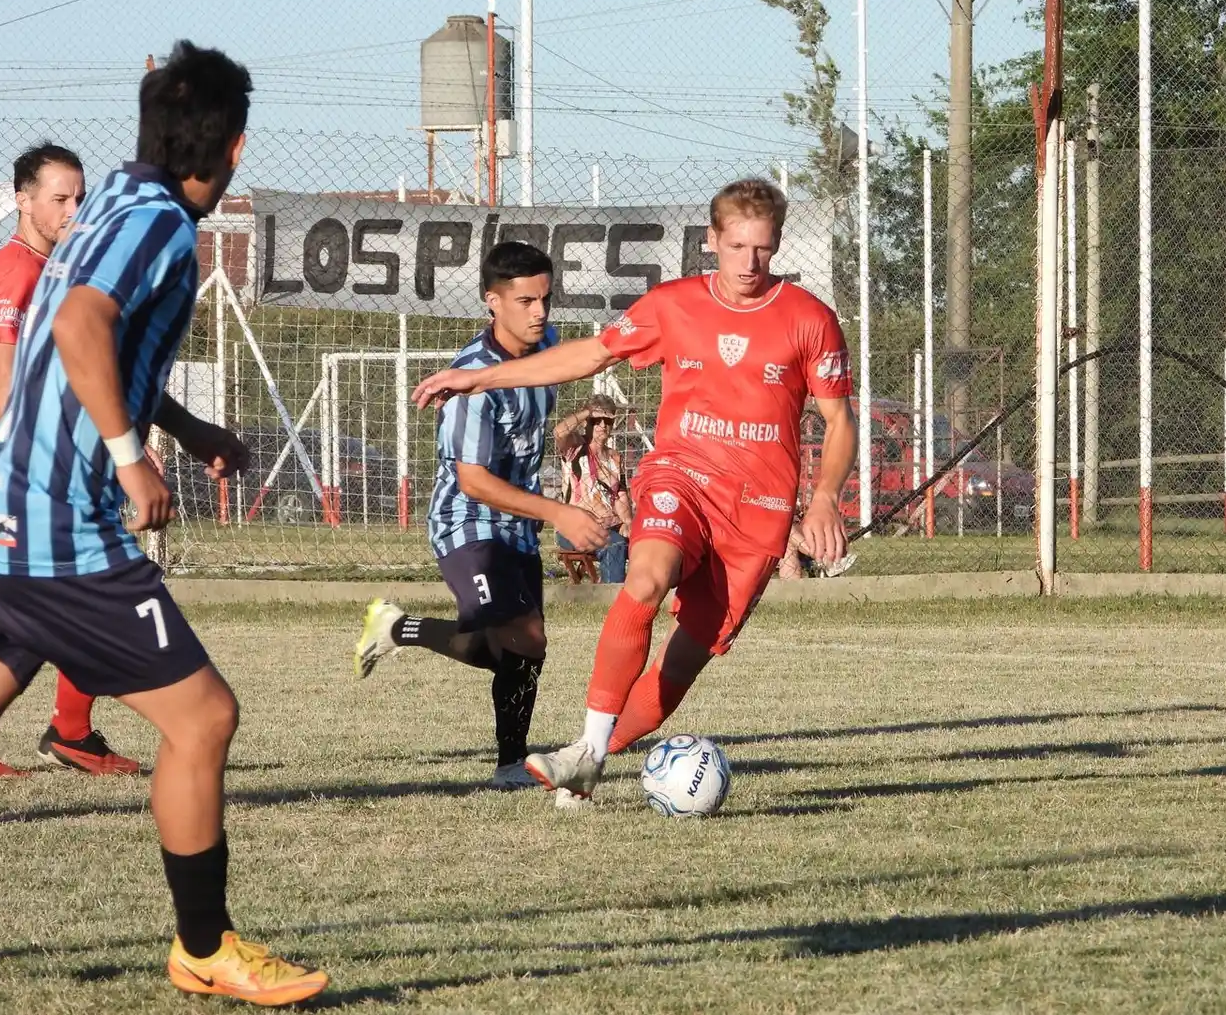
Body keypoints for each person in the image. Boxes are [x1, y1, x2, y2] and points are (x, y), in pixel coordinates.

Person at [0, 41, 326, 1004]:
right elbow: (81, 325)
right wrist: (133, 456)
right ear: (236, 148)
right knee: (205, 716)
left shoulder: (116, 196)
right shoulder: (162, 222)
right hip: (59, 530)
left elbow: (96, 345)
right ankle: (205, 946)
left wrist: (185, 423)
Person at [413, 177, 856, 809]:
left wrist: (823, 498)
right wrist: (480, 379)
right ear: (712, 241)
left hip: (755, 516)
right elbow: (589, 356)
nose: (749, 263)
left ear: (778, 243)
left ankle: (593, 758)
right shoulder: (673, 305)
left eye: (761, 248)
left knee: (675, 676)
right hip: (682, 477)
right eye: (736, 247)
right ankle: (586, 753)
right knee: (644, 580)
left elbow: (839, 421)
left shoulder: (810, 320)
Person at [354, 242, 608, 789]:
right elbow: (473, 481)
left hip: (518, 524)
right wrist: (561, 511)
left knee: (518, 645)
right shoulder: (472, 381)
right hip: (467, 522)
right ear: (493, 302)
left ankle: (398, 627)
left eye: (545, 298)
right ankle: (511, 765)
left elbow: (600, 350)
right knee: (522, 640)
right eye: (525, 301)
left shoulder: (549, 346)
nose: (540, 311)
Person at [0, 142, 141, 777]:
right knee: (84, 600)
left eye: (78, 197)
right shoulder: (15, 272)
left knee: (31, 618)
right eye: (58, 198)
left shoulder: (60, 268)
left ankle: (66, 731)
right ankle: (68, 732)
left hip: (40, 473)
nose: (72, 209)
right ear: (22, 200)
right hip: (17, 477)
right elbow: (7, 380)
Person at [554, 393, 632, 582]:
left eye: (608, 420)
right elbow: (558, 432)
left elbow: (620, 495)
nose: (603, 425)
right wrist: (588, 411)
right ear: (587, 422)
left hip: (611, 525)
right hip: (574, 527)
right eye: (597, 420)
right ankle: (611, 597)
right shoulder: (574, 448)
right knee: (614, 544)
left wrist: (628, 522)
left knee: (647, 540)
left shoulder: (615, 457)